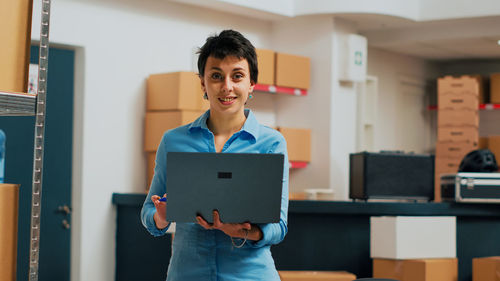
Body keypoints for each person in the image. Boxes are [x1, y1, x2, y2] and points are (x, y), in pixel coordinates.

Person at [140, 29, 289, 281]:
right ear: (203, 83)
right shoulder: (174, 141)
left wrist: (242, 232)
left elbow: (279, 227)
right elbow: (147, 214)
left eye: (237, 76)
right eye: (217, 76)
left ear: (251, 84)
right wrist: (161, 217)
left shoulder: (271, 143)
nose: (227, 87)